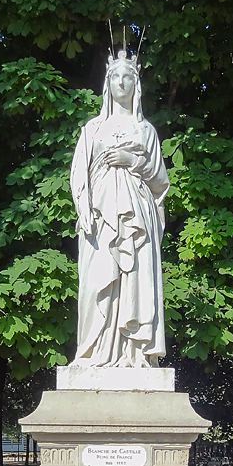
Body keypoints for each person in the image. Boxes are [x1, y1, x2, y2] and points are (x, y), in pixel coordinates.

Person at [69, 41, 169, 368]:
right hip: (99, 220)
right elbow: (78, 174)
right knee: (97, 283)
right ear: (107, 84)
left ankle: (134, 354)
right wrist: (84, 211)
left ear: (135, 84)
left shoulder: (146, 130)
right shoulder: (93, 128)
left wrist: (132, 161)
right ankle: (94, 352)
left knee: (135, 285)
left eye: (128, 77)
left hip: (137, 220)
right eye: (116, 78)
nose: (121, 83)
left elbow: (160, 180)